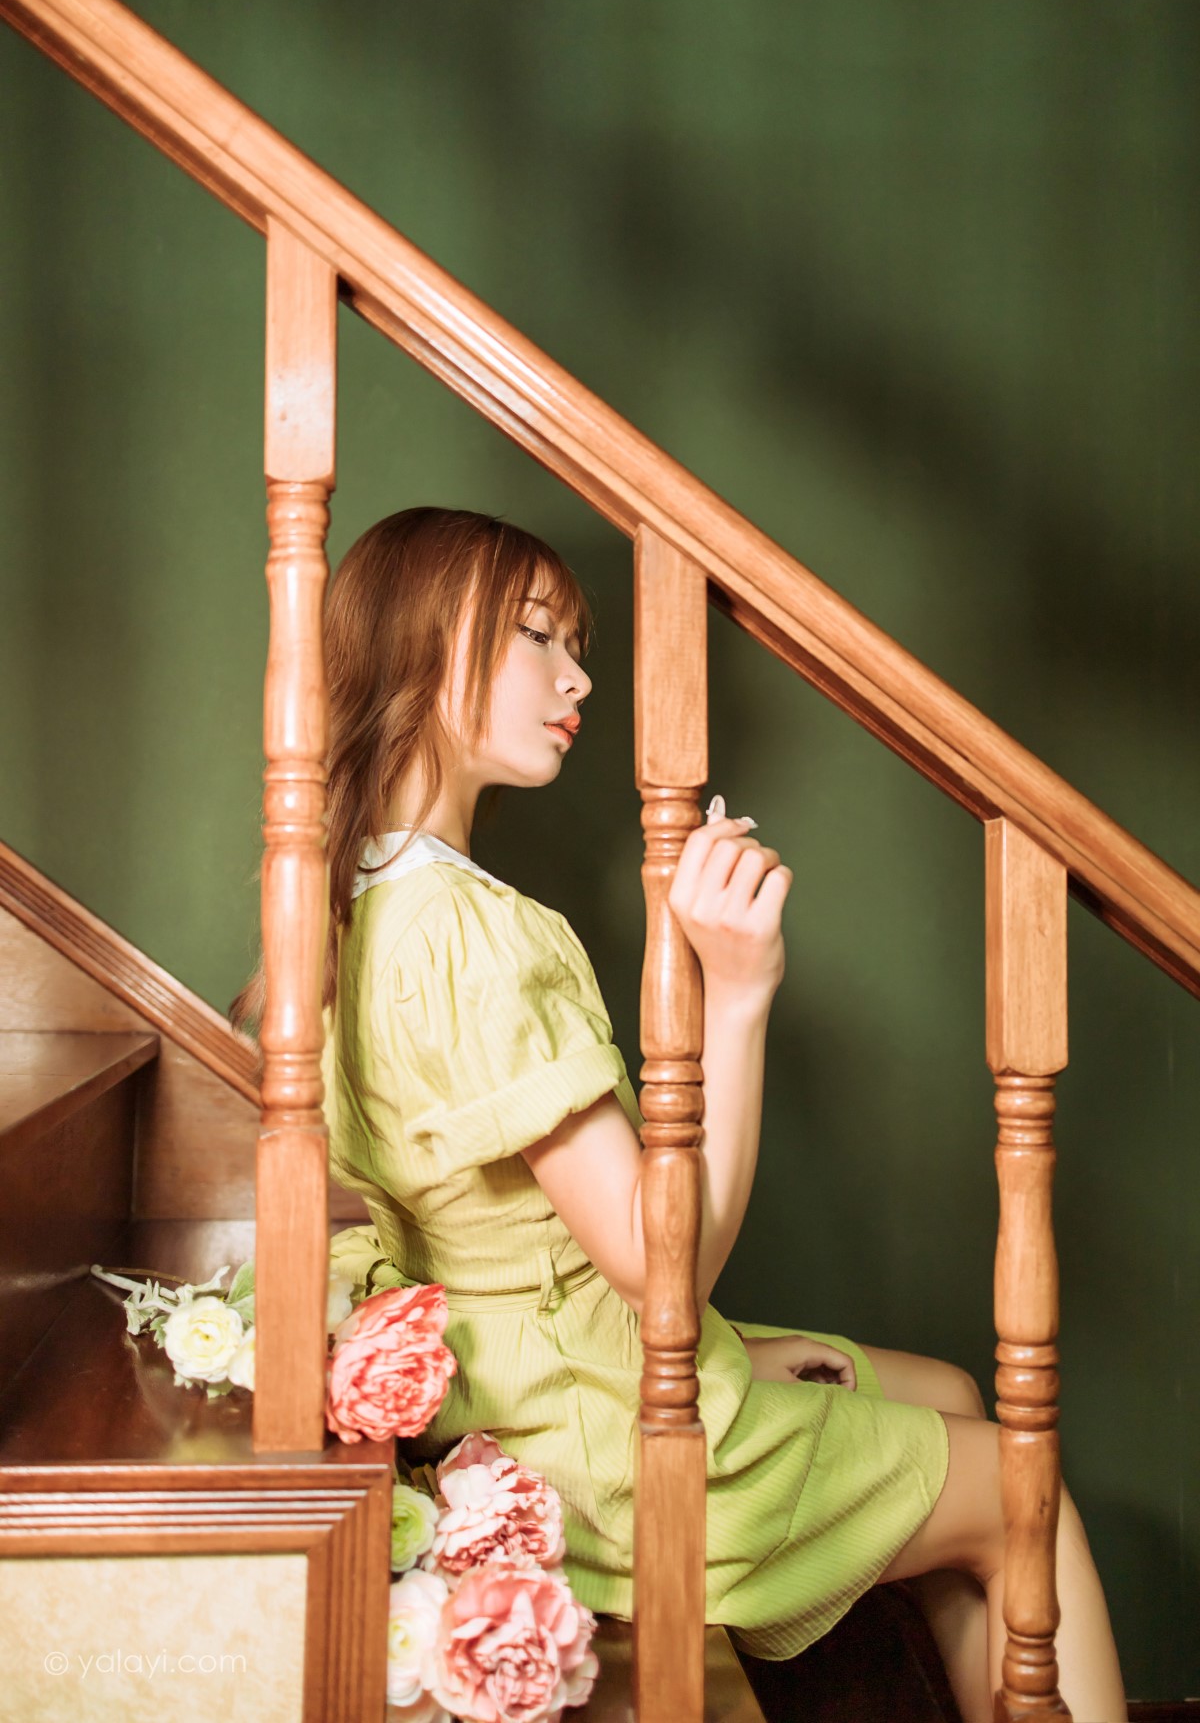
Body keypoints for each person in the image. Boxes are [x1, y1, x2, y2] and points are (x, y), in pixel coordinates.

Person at [244, 504, 1127, 1723]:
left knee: (951, 1395)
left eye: (577, 644)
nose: (578, 678)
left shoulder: (345, 904)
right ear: (422, 645)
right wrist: (739, 993)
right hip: (604, 1448)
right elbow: (669, 1268)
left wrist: (727, 1351)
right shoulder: (475, 935)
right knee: (1031, 1490)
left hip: (519, 1390)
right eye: (536, 637)